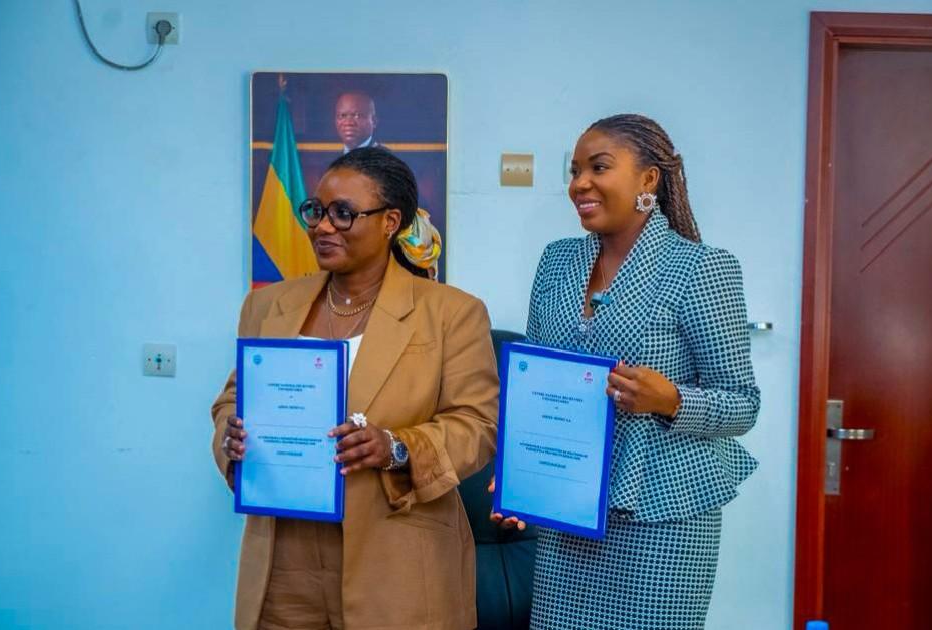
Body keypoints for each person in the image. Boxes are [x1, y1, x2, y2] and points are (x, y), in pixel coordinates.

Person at [211, 148, 499, 630]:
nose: (323, 226)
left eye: (343, 213)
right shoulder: (267, 306)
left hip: (396, 557)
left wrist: (397, 447)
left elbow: (478, 426)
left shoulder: (453, 312)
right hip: (284, 560)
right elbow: (231, 400)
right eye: (316, 210)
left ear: (390, 222)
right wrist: (231, 436)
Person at [492, 114, 760, 629]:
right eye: (574, 171)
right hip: (567, 510)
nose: (580, 184)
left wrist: (672, 401)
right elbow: (536, 383)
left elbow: (743, 403)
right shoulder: (556, 262)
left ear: (648, 180)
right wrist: (517, 472)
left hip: (662, 515)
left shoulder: (700, 268)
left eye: (598, 167)